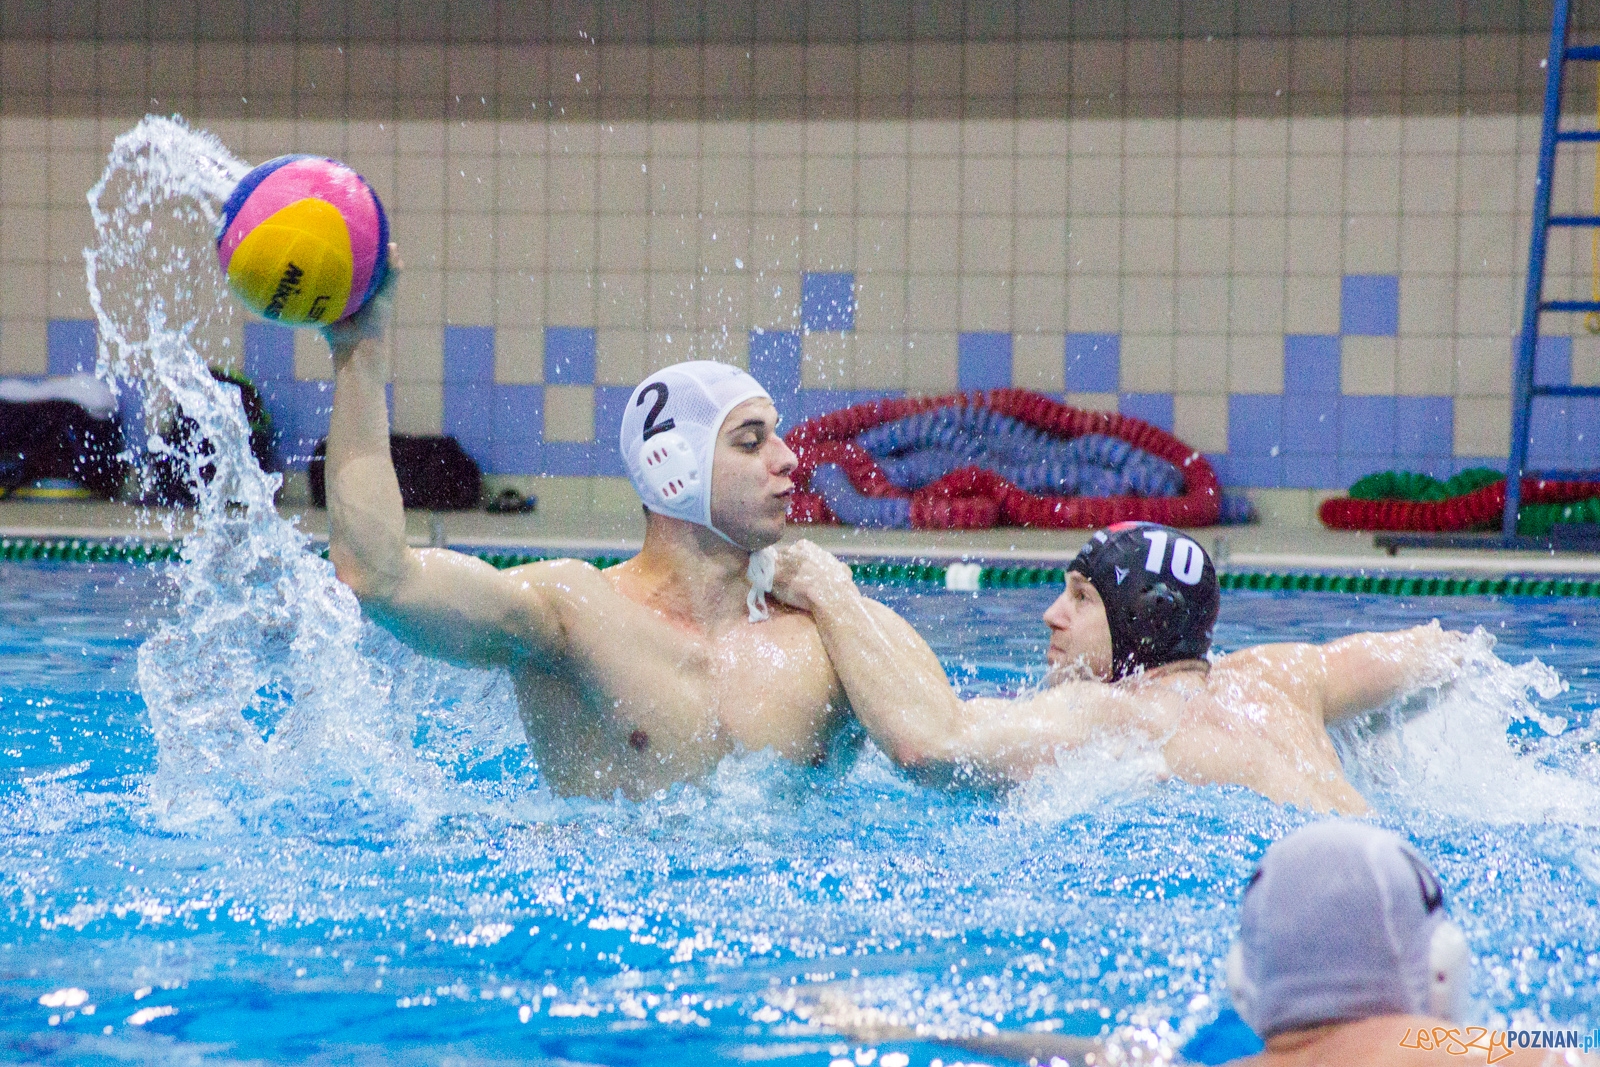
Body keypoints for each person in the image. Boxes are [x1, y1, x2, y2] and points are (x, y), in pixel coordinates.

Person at [322, 269, 849, 798]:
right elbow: (377, 576)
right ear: (672, 468)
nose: (789, 457)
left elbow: (932, 751)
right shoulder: (571, 616)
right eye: (751, 441)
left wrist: (839, 602)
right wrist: (358, 352)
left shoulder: (824, 627)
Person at [771, 522, 1470, 814]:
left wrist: (831, 592)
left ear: (1147, 621)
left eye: (1081, 598)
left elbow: (930, 744)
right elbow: (1446, 654)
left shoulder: (1116, 714)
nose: (1051, 615)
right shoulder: (1282, 676)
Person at [795, 821, 1588, 1067]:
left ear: (1246, 983)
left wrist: (908, 1028)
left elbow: (1100, 1054)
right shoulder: (1482, 1052)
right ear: (1440, 969)